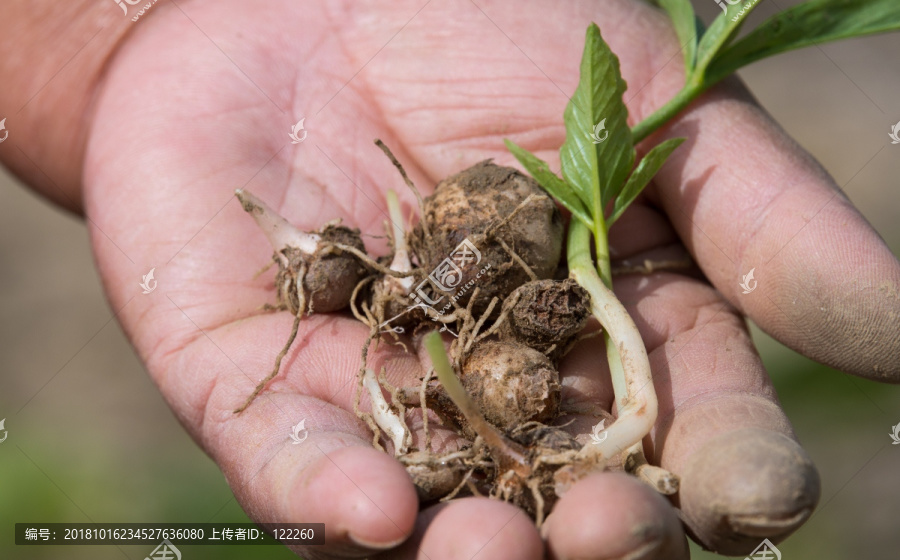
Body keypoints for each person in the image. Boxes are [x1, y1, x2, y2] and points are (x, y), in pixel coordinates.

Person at [2, 1, 897, 558]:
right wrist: (109, 40)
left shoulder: (494, 258)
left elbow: (455, 285)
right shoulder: (435, 278)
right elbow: (433, 296)